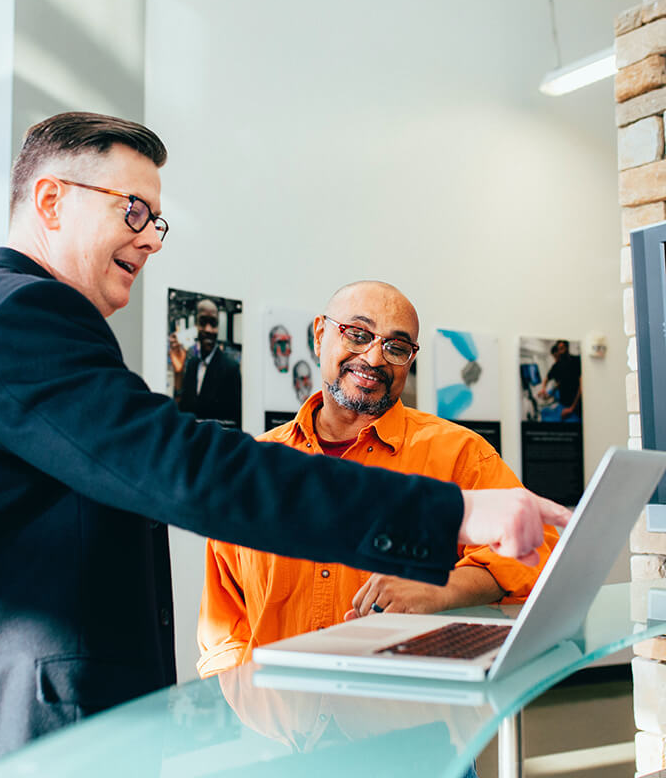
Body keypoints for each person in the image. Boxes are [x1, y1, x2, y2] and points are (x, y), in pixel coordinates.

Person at [0, 113, 569, 778]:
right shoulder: (22, 314)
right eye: (132, 210)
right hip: (2, 732)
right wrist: (448, 516)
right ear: (50, 201)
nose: (152, 239)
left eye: (157, 219)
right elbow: (189, 469)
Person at [197, 281, 560, 677]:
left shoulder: (460, 454)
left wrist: (441, 588)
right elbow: (223, 626)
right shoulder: (256, 467)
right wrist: (246, 712)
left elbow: (540, 550)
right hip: (278, 725)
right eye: (358, 333)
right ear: (320, 335)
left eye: (396, 347)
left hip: (407, 720)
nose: (373, 358)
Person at [168, 298, 242, 428]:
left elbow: (235, 424)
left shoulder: (231, 368)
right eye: (203, 322)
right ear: (196, 325)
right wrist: (178, 373)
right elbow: (182, 412)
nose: (208, 329)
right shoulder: (192, 364)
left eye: (213, 324)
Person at [538, 339, 582, 421]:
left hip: (575, 406)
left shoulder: (576, 361)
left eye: (562, 348)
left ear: (567, 348)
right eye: (559, 349)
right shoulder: (557, 366)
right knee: (545, 413)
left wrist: (572, 408)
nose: (561, 352)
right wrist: (543, 389)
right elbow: (548, 379)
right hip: (563, 404)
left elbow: (581, 386)